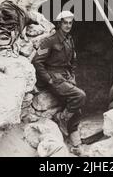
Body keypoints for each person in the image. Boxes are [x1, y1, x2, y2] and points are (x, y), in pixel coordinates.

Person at [31, 11, 86, 147]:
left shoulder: (69, 39)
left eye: (70, 23)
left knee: (77, 110)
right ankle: (61, 119)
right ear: (59, 23)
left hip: (65, 77)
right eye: (65, 22)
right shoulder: (50, 41)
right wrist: (48, 79)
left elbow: (73, 60)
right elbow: (37, 62)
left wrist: (72, 75)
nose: (68, 25)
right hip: (54, 77)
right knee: (80, 96)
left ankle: (75, 143)